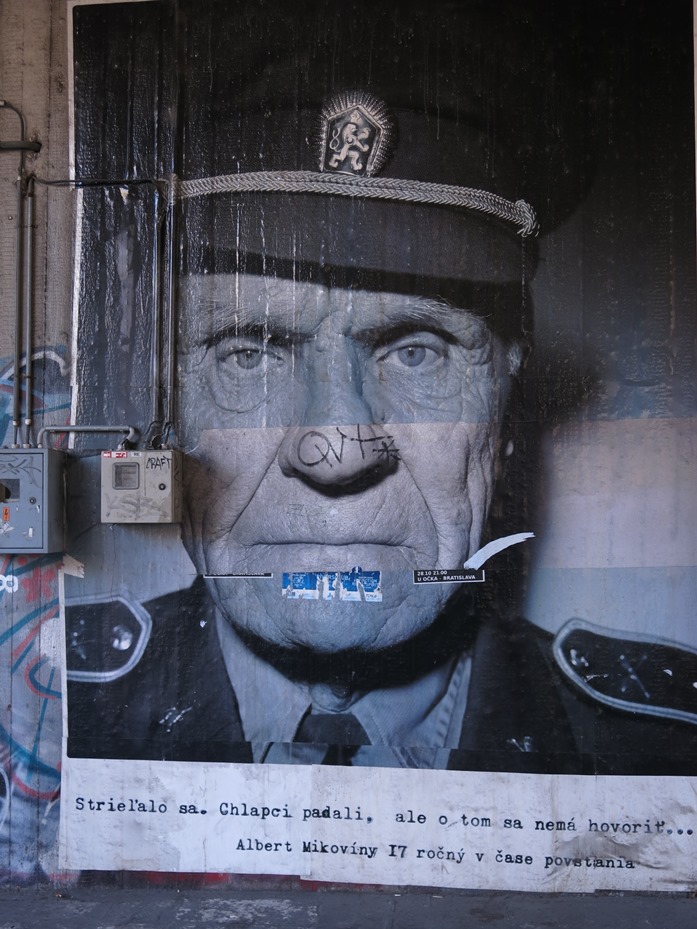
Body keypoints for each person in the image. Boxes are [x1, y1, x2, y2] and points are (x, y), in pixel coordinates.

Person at [65, 4, 697, 775]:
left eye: (417, 351)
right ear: (164, 402)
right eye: (247, 353)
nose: (336, 451)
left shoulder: (658, 751)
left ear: (504, 405)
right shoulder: (48, 711)